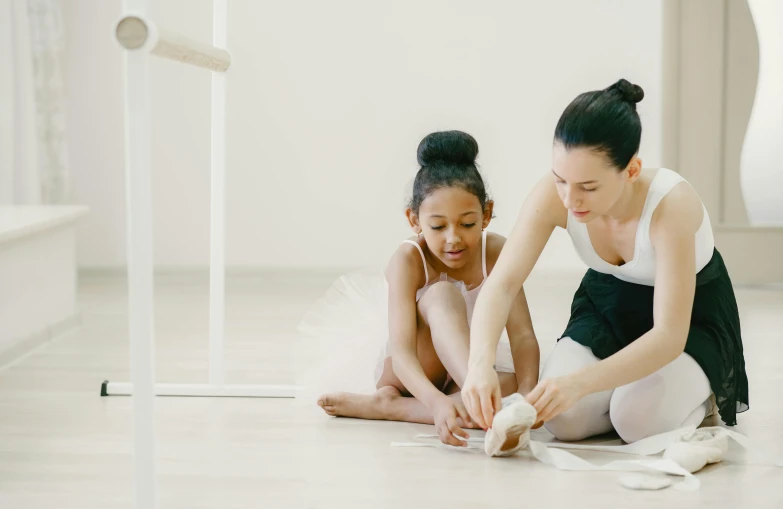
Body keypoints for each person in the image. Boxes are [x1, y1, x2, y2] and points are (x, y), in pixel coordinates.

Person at [461, 79, 749, 444]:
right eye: (561, 180)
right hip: (610, 304)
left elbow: (668, 335)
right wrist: (478, 364)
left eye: (588, 187)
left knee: (635, 422)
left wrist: (580, 382)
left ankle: (690, 397)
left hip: (687, 319)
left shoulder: (672, 206)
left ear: (631, 170)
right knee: (562, 419)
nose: (569, 199)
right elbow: (502, 284)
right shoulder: (555, 195)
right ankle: (634, 396)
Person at [299, 130, 540, 447]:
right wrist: (438, 401)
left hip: (463, 371)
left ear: (486, 214)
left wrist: (527, 395)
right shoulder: (409, 259)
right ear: (414, 220)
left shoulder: (496, 252)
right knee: (442, 294)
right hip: (411, 372)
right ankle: (452, 401)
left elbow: (522, 335)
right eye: (438, 227)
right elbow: (400, 355)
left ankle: (395, 408)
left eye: (467, 224)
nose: (453, 238)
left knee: (509, 383)